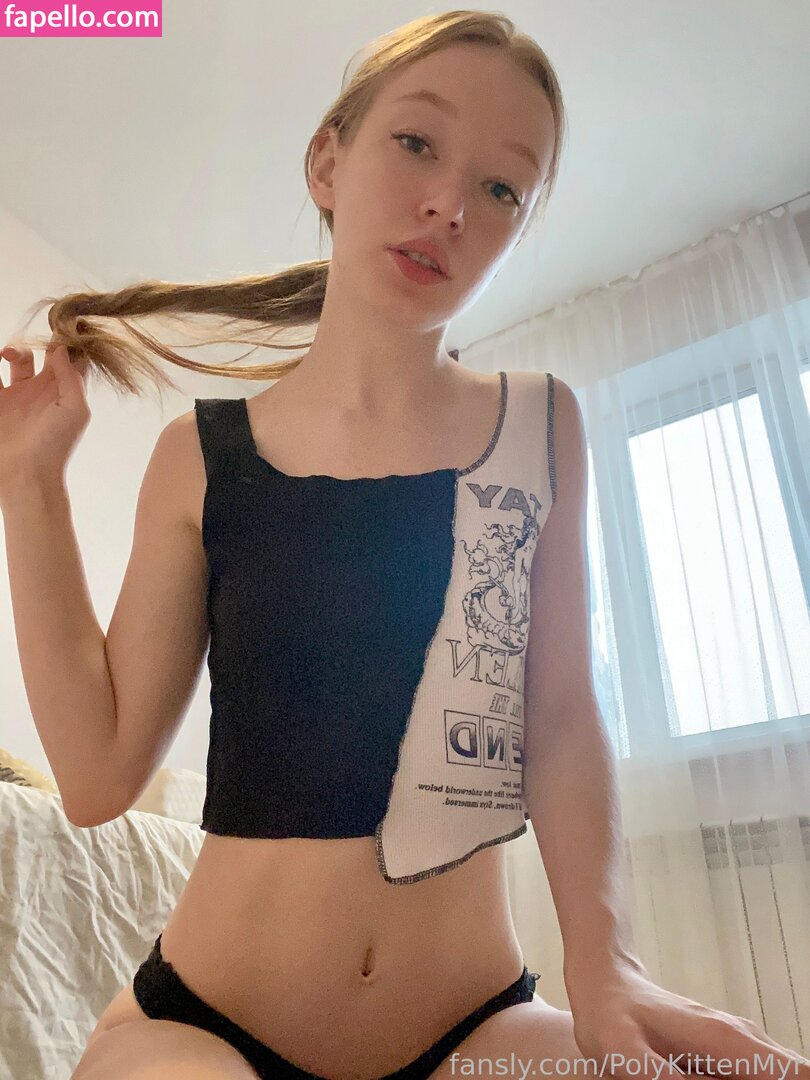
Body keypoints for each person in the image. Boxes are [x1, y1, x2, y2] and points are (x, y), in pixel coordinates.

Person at [2, 10, 807, 1080]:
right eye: (417, 143)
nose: (449, 206)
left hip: (471, 1026)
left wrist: (607, 964)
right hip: (203, 1025)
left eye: (503, 188)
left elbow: (562, 713)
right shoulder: (199, 456)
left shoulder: (541, 423)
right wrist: (28, 483)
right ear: (327, 161)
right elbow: (98, 778)